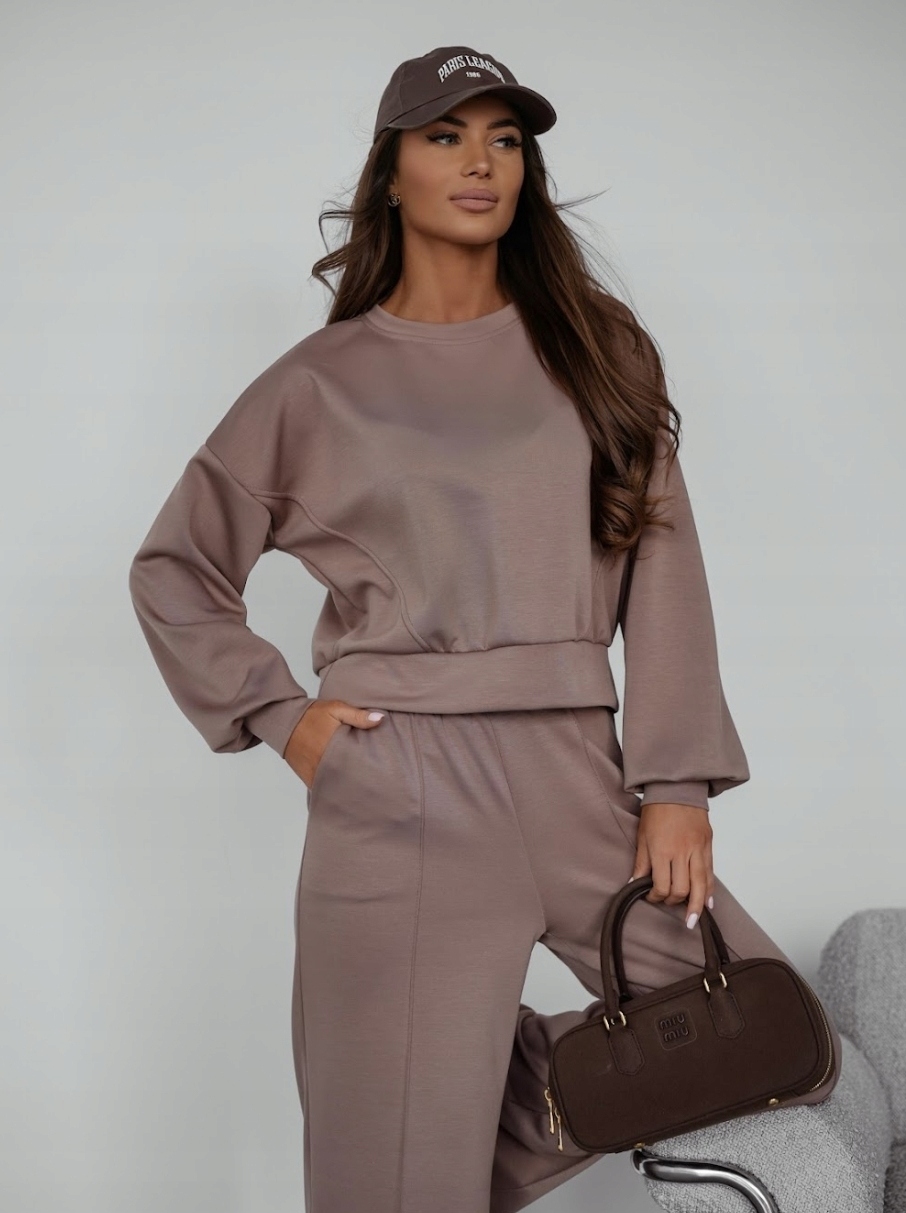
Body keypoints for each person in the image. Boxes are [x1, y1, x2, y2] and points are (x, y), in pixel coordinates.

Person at [128, 44, 842, 1213]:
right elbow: (175, 566)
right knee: (390, 1178)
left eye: (504, 140)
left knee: (773, 1035)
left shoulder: (597, 345)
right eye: (446, 137)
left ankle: (458, 1125)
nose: (481, 163)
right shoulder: (317, 385)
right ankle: (409, 1147)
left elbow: (661, 552)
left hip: (578, 772)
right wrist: (283, 718)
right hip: (398, 786)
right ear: (391, 172)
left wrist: (677, 783)